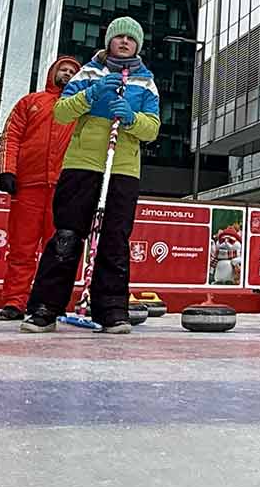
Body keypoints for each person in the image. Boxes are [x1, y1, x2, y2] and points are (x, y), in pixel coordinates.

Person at [20, 17, 160, 333]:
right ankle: (45, 308)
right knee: (67, 235)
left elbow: (152, 129)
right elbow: (61, 112)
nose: (124, 42)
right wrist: (91, 94)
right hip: (82, 164)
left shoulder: (146, 82)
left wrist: (132, 119)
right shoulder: (88, 73)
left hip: (123, 169)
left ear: (137, 45)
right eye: (119, 36)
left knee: (115, 240)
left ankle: (111, 310)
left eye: (131, 38)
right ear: (109, 41)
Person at [0, 53, 82, 320]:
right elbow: (11, 136)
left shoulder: (80, 110)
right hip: (28, 187)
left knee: (60, 250)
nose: (67, 74)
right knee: (22, 248)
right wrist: (7, 170)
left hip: (64, 190)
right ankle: (14, 301)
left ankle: (48, 303)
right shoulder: (30, 102)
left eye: (72, 72)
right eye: (63, 70)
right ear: (52, 73)